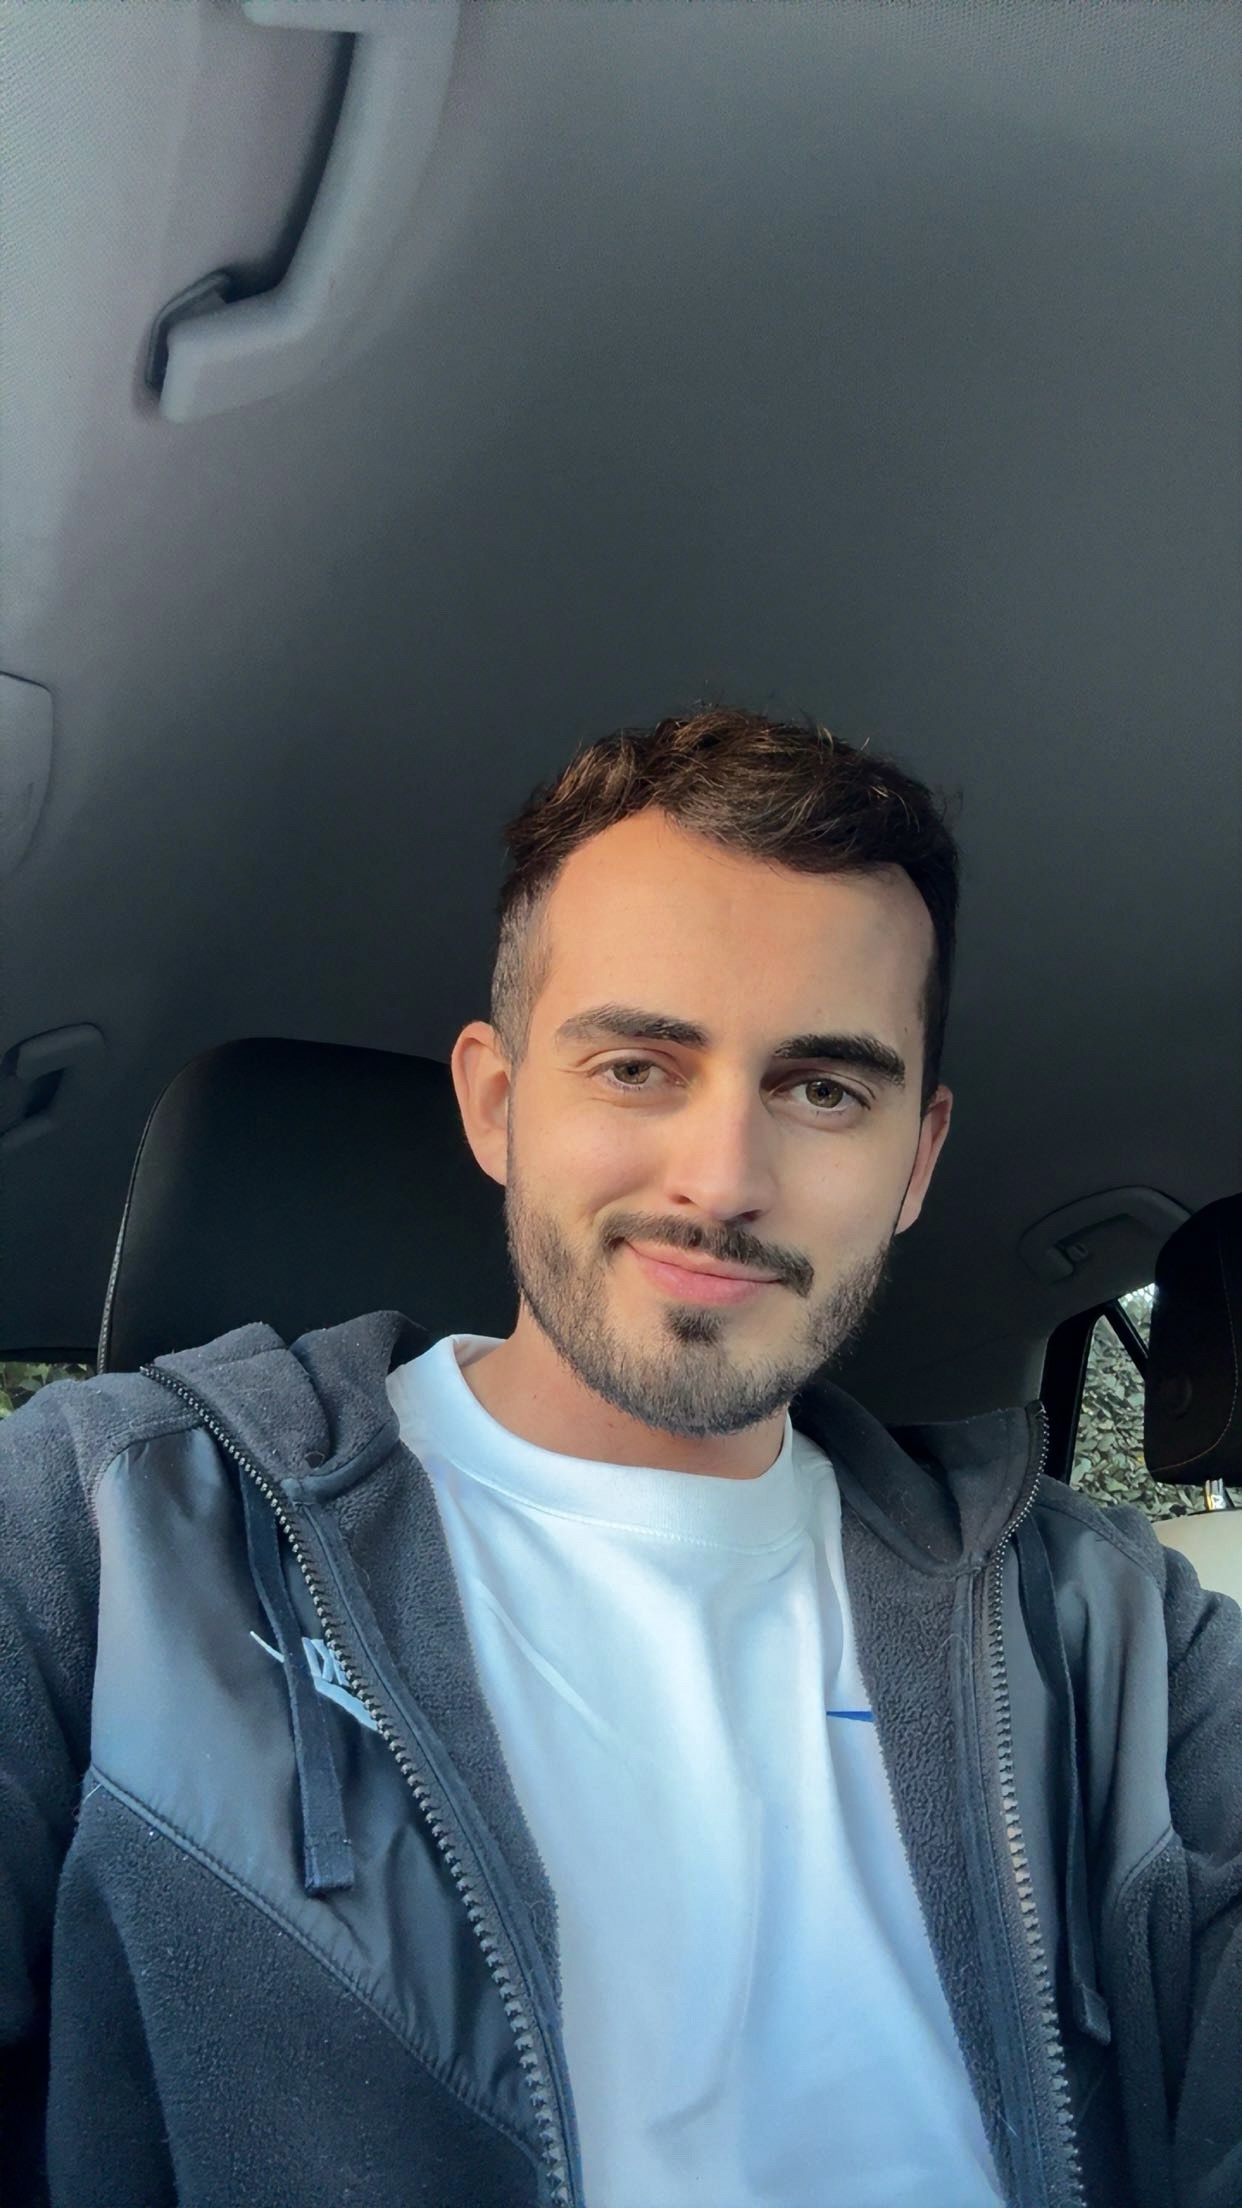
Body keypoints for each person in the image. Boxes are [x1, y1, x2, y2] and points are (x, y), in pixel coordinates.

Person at [1, 707, 1238, 2208]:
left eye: (824, 1089)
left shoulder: (1111, 1635)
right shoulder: (103, 1533)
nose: (722, 1180)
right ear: (496, 1103)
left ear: (915, 1160)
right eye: (640, 1066)